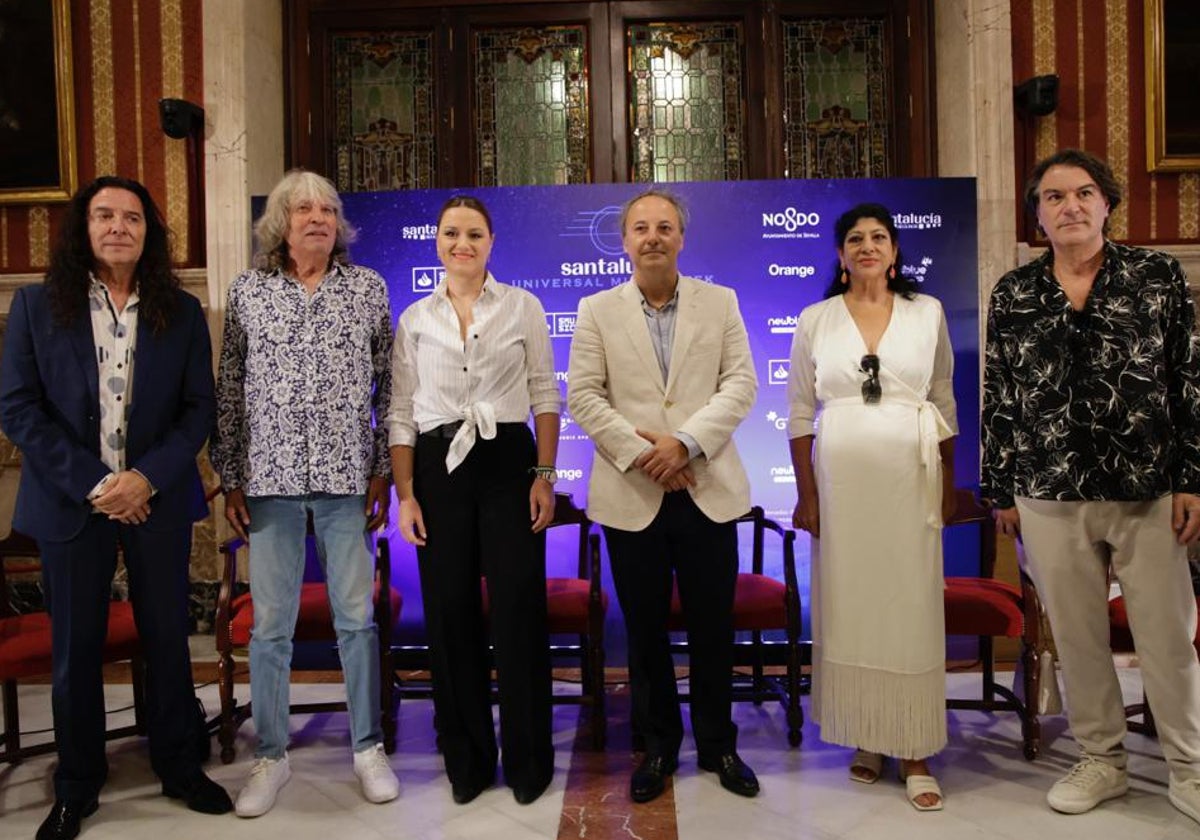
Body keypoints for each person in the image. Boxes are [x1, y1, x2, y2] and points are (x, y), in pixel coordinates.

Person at [0, 176, 231, 840]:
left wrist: (145, 480)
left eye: (132, 217)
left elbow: (198, 411)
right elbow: (18, 408)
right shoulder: (38, 307)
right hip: (73, 503)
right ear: (84, 227)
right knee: (77, 648)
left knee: (168, 638)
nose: (119, 227)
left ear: (148, 233)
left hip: (154, 501)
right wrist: (99, 484)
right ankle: (77, 784)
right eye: (105, 215)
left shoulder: (179, 312)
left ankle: (180, 765)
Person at [982, 148, 1200, 823]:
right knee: (1077, 638)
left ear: (1107, 203)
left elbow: (1187, 380)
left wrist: (1193, 476)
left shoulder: (1156, 277)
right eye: (1053, 197)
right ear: (1037, 216)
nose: (1069, 206)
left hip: (1148, 488)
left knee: (1165, 637)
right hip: (1049, 492)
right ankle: (1102, 759)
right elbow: (1001, 397)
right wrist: (1001, 491)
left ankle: (1190, 767)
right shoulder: (1015, 293)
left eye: (1082, 194)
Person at [211, 169, 399, 817]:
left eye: (327, 208)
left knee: (356, 620)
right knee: (270, 630)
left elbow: (388, 386)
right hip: (269, 480)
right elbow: (230, 385)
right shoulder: (248, 293)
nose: (317, 217)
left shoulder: (367, 289)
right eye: (303, 209)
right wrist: (229, 473)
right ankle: (270, 755)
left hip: (349, 479)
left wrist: (383, 469)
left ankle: (367, 748)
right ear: (281, 224)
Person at [567, 188, 760, 804]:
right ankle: (656, 747)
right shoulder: (596, 309)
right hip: (632, 493)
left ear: (681, 238)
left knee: (712, 628)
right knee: (646, 631)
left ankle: (718, 744)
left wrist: (684, 444)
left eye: (665, 227)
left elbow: (742, 385)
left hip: (707, 488)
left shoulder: (721, 302)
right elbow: (584, 397)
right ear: (624, 241)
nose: (653, 236)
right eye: (641, 228)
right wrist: (648, 455)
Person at [386, 195, 560, 806]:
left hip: (509, 462)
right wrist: (405, 493)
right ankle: (466, 758)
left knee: (517, 609)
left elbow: (544, 394)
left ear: (491, 242)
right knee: (450, 612)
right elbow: (402, 414)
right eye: (452, 233)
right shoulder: (413, 319)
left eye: (475, 234)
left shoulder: (523, 306)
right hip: (439, 467)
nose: (463, 243)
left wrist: (544, 475)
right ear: (437, 242)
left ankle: (529, 759)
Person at [787, 202, 957, 812]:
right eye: (855, 238)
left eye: (879, 236)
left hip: (911, 481)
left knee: (908, 606)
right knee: (854, 605)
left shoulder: (927, 311)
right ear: (839, 255)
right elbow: (801, 412)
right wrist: (807, 496)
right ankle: (868, 737)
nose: (867, 246)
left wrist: (949, 484)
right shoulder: (815, 318)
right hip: (841, 488)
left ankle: (914, 747)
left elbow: (942, 400)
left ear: (894, 251)